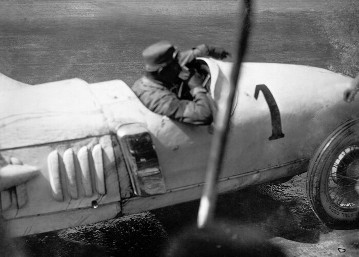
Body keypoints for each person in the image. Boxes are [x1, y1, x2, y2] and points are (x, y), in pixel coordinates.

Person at [131, 41, 230, 125]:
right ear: (162, 71)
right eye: (176, 64)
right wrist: (196, 87)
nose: (180, 66)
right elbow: (203, 115)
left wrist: (207, 49)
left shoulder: (154, 77)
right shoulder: (159, 100)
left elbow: (183, 57)